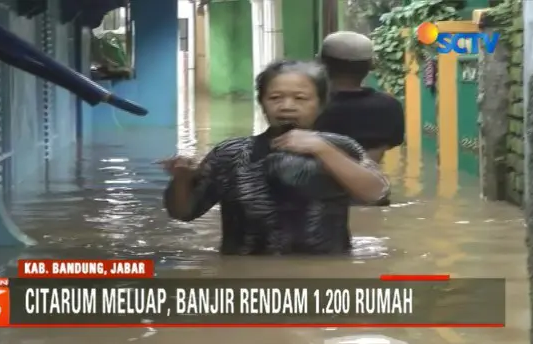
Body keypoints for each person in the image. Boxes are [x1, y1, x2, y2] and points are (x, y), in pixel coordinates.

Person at [159, 60, 390, 255]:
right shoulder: (231, 153)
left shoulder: (341, 147)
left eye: (300, 98)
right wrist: (182, 179)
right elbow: (183, 213)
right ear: (262, 103)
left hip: (321, 281)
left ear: (321, 105)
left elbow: (377, 194)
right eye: (275, 97)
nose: (287, 107)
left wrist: (322, 149)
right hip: (246, 281)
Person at [314, 31, 405, 164]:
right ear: (370, 66)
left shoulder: (312, 106)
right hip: (367, 181)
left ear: (322, 64)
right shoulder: (389, 106)